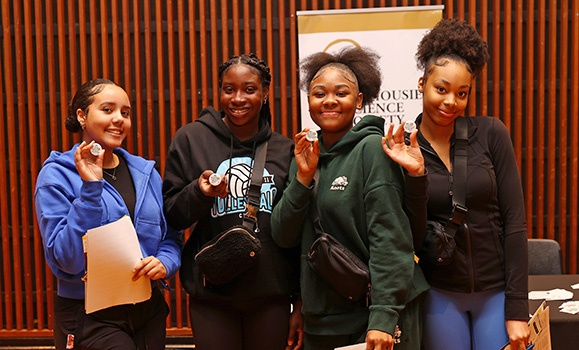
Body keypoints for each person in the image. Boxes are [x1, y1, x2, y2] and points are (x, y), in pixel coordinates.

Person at [383, 18, 530, 350]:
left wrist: (517, 307)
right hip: (439, 294)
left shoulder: (492, 134)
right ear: (422, 83)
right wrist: (417, 177)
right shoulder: (405, 148)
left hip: (496, 294)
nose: (450, 101)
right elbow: (412, 238)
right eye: (441, 89)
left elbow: (515, 224)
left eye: (461, 93)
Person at [271, 46, 429, 350]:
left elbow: (390, 237)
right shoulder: (304, 157)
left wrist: (383, 317)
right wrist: (302, 179)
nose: (329, 100)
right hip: (321, 320)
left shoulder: (372, 150)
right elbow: (284, 236)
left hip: (372, 317)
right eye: (319, 93)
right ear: (308, 101)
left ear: (358, 100)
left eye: (341, 93)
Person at [162, 53, 303, 350]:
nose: (238, 98)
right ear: (220, 91)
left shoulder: (283, 149)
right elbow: (173, 215)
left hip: (271, 295)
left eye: (249, 89)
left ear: (265, 93)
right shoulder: (191, 139)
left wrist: (300, 301)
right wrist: (199, 193)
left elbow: (296, 230)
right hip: (212, 294)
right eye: (229, 89)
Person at [34, 78, 182, 349]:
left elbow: (170, 235)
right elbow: (66, 260)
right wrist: (90, 189)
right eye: (107, 109)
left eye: (125, 113)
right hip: (89, 314)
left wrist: (165, 262)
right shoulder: (56, 175)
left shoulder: (145, 173)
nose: (118, 119)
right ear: (82, 116)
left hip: (147, 309)